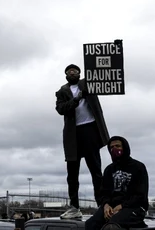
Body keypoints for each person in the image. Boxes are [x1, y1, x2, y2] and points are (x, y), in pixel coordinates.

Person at [55, 64, 110, 218]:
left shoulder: (88, 84)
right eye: (69, 72)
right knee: (72, 174)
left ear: (80, 73)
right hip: (73, 134)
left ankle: (101, 204)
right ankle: (74, 207)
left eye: (75, 71)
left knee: (96, 171)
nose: (72, 73)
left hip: (90, 130)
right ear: (66, 75)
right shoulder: (62, 91)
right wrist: (77, 99)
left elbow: (106, 78)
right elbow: (60, 109)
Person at [85, 136, 149, 230]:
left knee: (113, 225)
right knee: (91, 224)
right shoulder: (109, 170)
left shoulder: (138, 167)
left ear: (125, 147)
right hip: (111, 208)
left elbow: (140, 195)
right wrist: (106, 205)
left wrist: (122, 206)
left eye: (117, 146)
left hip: (134, 208)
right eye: (111, 147)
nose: (114, 149)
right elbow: (103, 193)